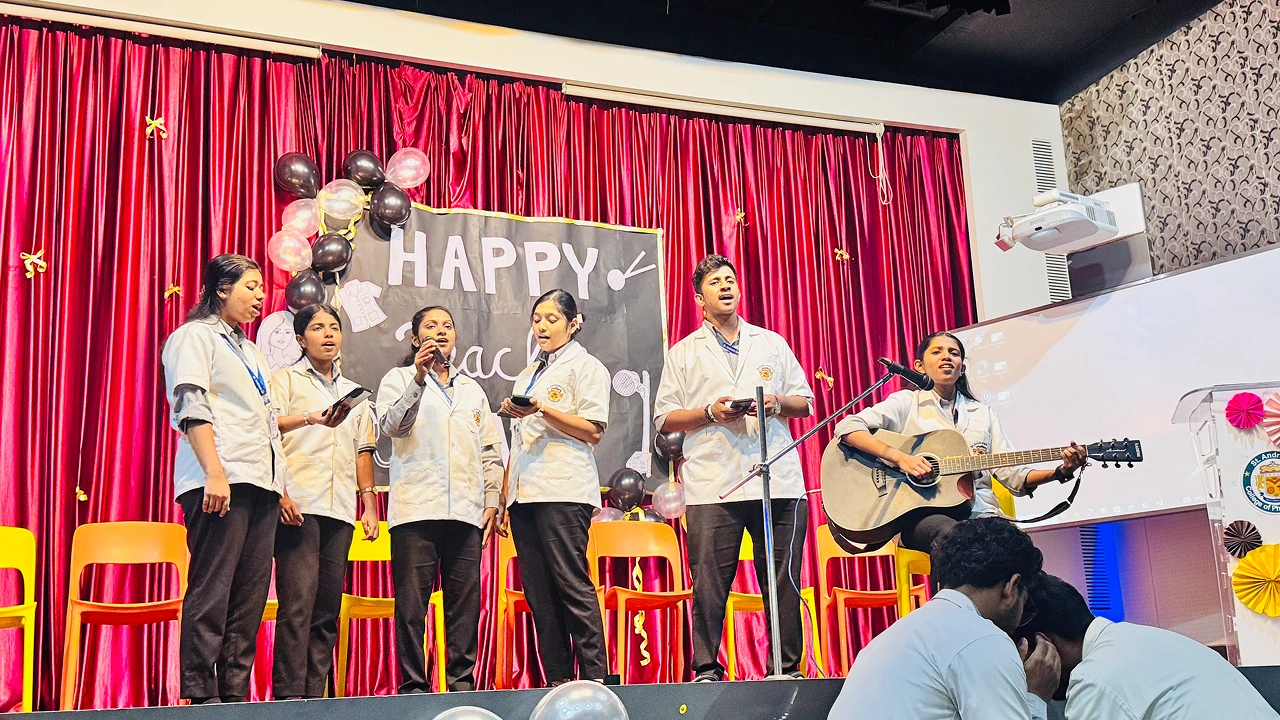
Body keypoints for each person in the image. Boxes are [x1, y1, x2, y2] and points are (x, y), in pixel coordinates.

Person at [652, 253, 815, 681]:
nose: (725, 287)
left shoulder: (771, 342)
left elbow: (805, 402)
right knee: (709, 582)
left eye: (730, 280)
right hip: (714, 483)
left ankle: (786, 669)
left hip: (776, 479)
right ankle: (707, 668)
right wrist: (710, 412)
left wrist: (775, 403)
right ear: (699, 299)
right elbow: (664, 417)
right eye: (715, 283)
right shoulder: (683, 353)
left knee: (782, 580)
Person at [835, 331, 1088, 552]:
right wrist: (901, 458)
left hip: (982, 513)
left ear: (962, 368)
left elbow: (1013, 475)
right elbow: (847, 427)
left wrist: (1061, 472)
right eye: (937, 352)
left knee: (1019, 549)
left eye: (954, 353)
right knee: (953, 538)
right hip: (922, 515)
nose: (947, 357)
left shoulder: (983, 414)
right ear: (919, 366)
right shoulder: (906, 403)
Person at [161, 254, 286, 703]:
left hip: (261, 481)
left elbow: (267, 421)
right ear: (221, 289)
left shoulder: (251, 351)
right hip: (220, 479)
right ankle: (200, 693)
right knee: (213, 587)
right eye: (251, 287)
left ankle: (234, 693)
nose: (260, 296)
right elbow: (191, 403)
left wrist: (281, 487)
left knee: (249, 596)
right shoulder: (194, 336)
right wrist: (214, 472)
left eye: (261, 288)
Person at [376, 305, 503, 692]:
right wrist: (418, 377)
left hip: (466, 511)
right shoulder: (398, 379)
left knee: (464, 606)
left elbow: (490, 450)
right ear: (416, 339)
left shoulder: (472, 390)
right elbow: (393, 426)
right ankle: (414, 687)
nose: (441, 332)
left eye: (447, 326)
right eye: (431, 326)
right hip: (416, 509)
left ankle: (461, 684)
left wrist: (492, 500)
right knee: (412, 607)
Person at [827, 517, 1060, 720]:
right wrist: (1034, 697)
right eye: (1025, 603)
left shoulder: (888, 638)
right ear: (1012, 587)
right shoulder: (983, 638)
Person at [497, 289, 610, 686]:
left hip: (563, 490)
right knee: (540, 594)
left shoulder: (588, 367)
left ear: (573, 324)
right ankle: (559, 681)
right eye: (537, 319)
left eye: (552, 319)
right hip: (524, 494)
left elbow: (593, 430)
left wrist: (542, 409)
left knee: (571, 584)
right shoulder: (528, 373)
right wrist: (504, 496)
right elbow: (516, 441)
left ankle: (595, 680)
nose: (542, 327)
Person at [269, 304, 379, 699]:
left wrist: (368, 504)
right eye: (318, 328)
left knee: (327, 610)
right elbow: (269, 432)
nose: (328, 334)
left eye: (334, 327)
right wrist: (280, 493)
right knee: (297, 605)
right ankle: (287, 698)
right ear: (301, 339)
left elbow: (362, 451)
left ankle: (315, 698)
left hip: (340, 509)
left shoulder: (354, 393)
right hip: (299, 505)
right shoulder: (284, 380)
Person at [1022, 573, 1278, 719]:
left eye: (1020, 654)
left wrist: (1033, 699)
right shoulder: (1148, 639)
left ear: (1044, 646)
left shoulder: (1094, 679)